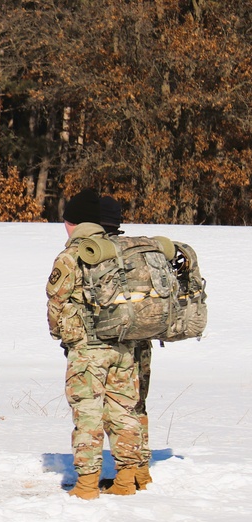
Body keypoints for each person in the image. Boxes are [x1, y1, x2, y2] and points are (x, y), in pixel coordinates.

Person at [46, 189, 144, 498]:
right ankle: (126, 479)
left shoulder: (72, 254)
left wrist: (63, 335)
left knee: (88, 413)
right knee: (122, 410)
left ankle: (87, 485)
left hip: (87, 351)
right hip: (123, 346)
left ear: (72, 222)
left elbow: (56, 303)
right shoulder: (119, 249)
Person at [99, 194, 153, 491]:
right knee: (138, 405)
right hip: (143, 340)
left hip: (118, 343)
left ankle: (125, 477)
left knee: (117, 408)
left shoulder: (102, 253)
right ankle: (141, 473)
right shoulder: (138, 251)